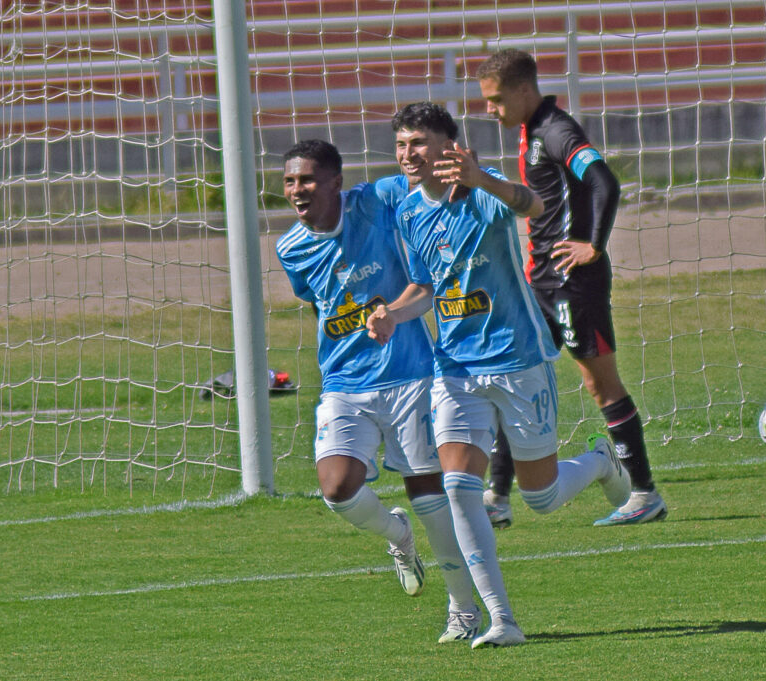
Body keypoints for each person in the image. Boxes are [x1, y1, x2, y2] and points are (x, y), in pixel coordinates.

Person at [367, 102, 631, 648]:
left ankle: (602, 462)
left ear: (448, 146)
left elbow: (531, 203)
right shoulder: (410, 213)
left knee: (542, 497)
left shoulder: (483, 197)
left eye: (418, 143)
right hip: (456, 370)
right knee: (460, 490)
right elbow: (424, 288)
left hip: (518, 362)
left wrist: (481, 177)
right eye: (400, 145)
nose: (407, 154)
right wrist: (393, 312)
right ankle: (499, 619)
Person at [275, 139, 480, 644]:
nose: (297, 190)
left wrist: (450, 162)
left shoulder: (377, 200)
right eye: (289, 181)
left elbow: (420, 178)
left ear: (336, 183)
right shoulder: (290, 248)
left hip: (411, 375)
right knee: (337, 487)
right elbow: (318, 300)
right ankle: (397, 535)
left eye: (307, 179)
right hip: (344, 383)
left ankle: (463, 608)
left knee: (430, 496)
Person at [475, 48, 667, 527]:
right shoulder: (531, 131)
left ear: (524, 90)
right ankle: (495, 499)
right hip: (539, 284)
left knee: (600, 385)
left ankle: (643, 493)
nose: (490, 110)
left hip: (572, 285)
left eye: (496, 100)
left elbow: (604, 181)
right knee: (510, 375)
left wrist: (592, 245)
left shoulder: (557, 130)